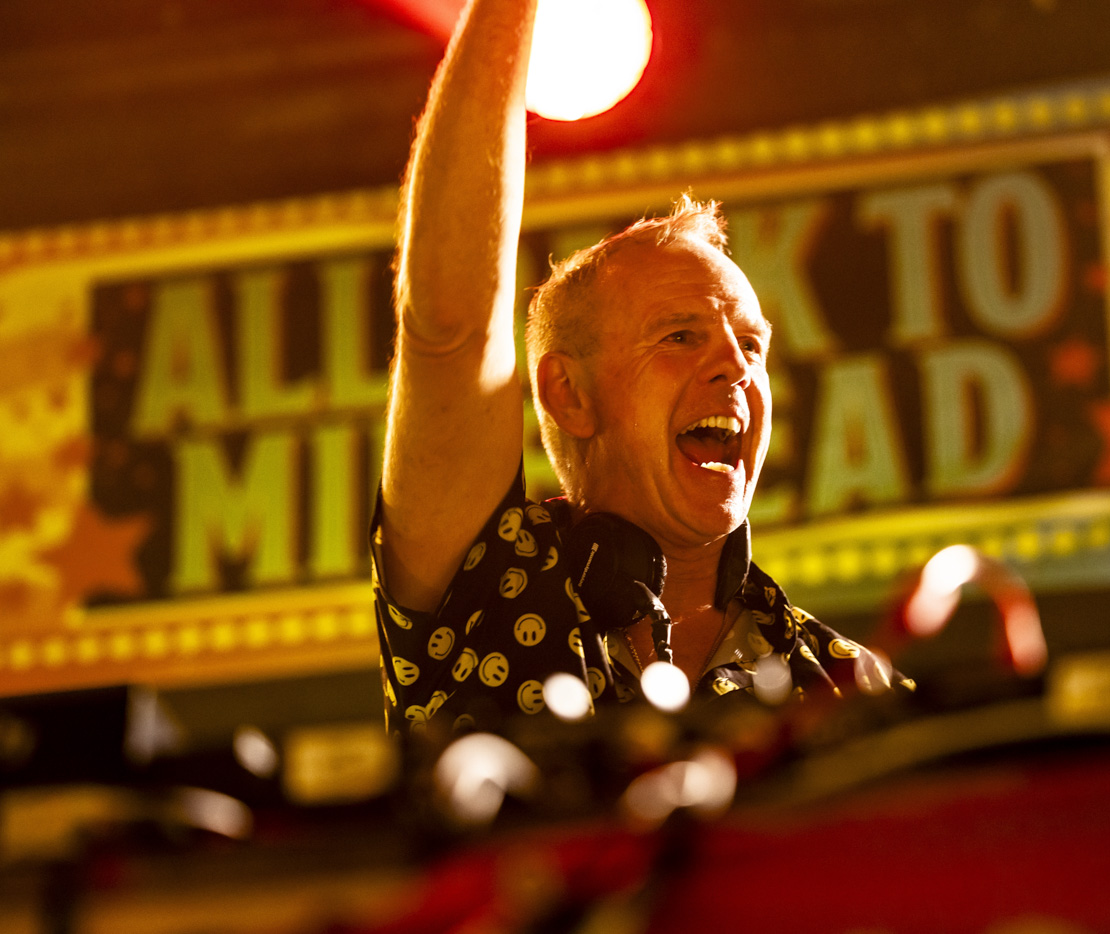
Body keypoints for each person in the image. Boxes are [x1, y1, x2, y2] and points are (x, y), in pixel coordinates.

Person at [374, 0, 907, 738]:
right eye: (682, 336)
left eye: (752, 346)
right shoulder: (485, 584)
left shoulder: (846, 687)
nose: (736, 367)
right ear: (568, 394)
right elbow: (448, 329)